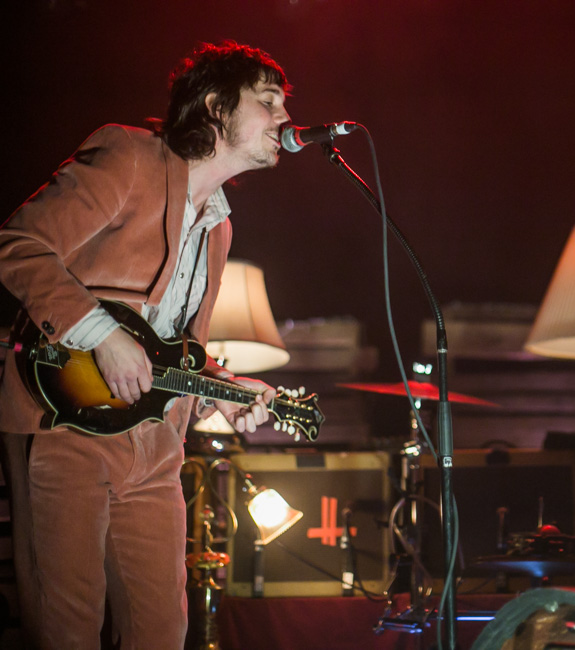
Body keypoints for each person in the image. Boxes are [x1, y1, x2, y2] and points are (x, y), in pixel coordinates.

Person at [0, 41, 292, 648]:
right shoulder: (131, 156)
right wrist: (100, 332)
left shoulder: (220, 228)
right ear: (215, 107)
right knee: (66, 626)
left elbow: (172, 351)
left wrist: (224, 390)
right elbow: (18, 246)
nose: (285, 120)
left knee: (162, 630)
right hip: (65, 424)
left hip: (156, 450)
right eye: (268, 102)